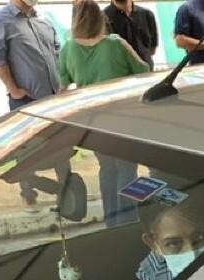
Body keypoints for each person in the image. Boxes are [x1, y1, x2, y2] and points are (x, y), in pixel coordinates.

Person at [59, 0, 149, 228]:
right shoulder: (115, 44)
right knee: (127, 169)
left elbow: (63, 85)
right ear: (101, 19)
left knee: (107, 168)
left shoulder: (68, 48)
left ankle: (112, 222)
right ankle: (128, 221)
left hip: (93, 122)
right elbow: (144, 70)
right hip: (124, 120)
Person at [0, 0, 66, 207]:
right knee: (26, 151)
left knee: (61, 146)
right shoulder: (0, 20)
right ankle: (29, 195)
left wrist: (62, 84)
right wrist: (13, 89)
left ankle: (66, 192)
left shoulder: (44, 21)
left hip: (53, 98)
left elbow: (58, 53)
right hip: (26, 100)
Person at [104, 0, 159, 69]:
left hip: (146, 71)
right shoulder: (102, 18)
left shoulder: (147, 14)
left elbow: (153, 47)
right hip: (119, 73)